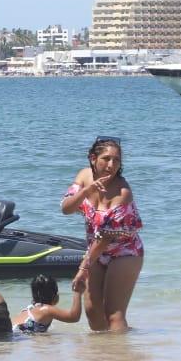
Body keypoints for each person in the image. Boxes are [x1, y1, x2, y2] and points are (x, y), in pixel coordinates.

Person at [61, 136, 143, 332]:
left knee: (114, 315)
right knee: (92, 312)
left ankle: (120, 358)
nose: (111, 165)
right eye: (106, 158)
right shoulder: (84, 176)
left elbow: (106, 237)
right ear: (93, 158)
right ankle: (103, 359)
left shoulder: (122, 193)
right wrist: (85, 191)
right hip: (96, 251)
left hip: (125, 251)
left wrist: (82, 269)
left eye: (116, 160)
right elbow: (66, 208)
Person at [12, 274, 83, 335]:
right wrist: (77, 292)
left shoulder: (27, 310)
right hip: (18, 336)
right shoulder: (46, 309)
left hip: (13, 335)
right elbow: (74, 317)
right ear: (56, 295)